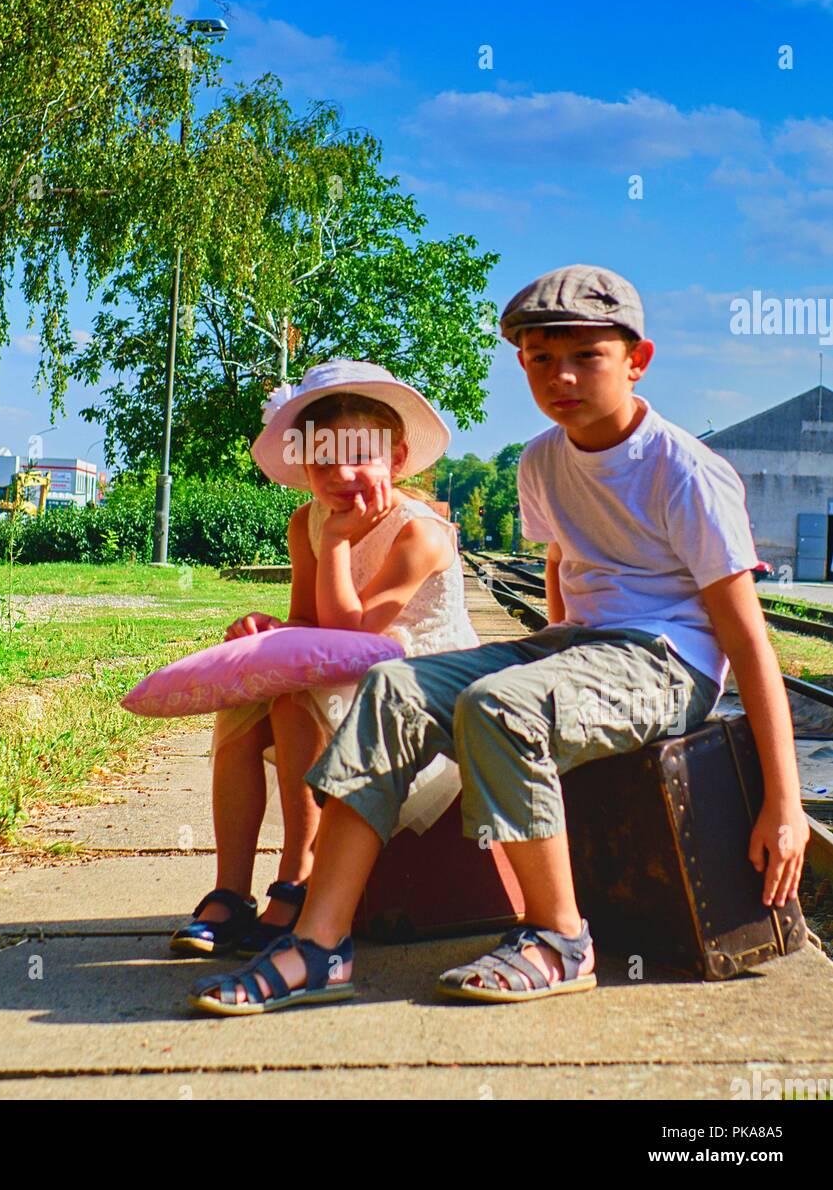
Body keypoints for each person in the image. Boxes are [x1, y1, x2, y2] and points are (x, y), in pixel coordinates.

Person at [188, 264, 810, 1016]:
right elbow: (560, 567)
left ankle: (559, 938)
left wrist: (782, 801)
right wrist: (552, 645)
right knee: (390, 688)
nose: (562, 376)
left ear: (636, 360)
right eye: (540, 358)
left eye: (586, 356)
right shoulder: (542, 459)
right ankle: (322, 944)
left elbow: (746, 638)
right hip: (575, 646)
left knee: (498, 705)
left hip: (663, 661)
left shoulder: (683, 471)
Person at [170, 358, 479, 960]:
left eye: (357, 455)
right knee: (244, 705)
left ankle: (299, 875)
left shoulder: (420, 535)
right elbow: (311, 627)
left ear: (394, 458)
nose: (340, 475)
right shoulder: (306, 522)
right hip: (346, 677)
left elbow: (352, 634)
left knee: (294, 699)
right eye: (321, 458)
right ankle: (230, 891)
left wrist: (338, 541)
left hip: (416, 695)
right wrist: (266, 630)